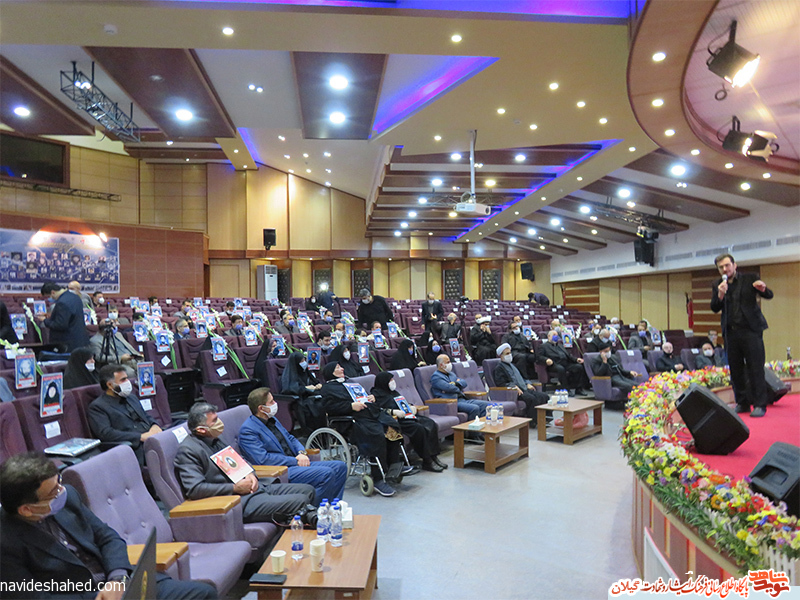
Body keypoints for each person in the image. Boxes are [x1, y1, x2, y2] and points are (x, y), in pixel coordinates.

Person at [0, 453, 217, 600]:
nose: (61, 491)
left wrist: (117, 578)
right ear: (26, 509)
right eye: (53, 491)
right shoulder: (5, 541)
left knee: (203, 593)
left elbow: (107, 537)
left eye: (59, 483)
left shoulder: (68, 498)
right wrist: (100, 595)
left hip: (121, 582)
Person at [175, 403, 316, 523]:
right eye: (215, 421)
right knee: (300, 500)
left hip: (254, 488)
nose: (219, 423)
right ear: (201, 429)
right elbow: (195, 489)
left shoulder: (214, 438)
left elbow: (240, 460)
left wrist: (250, 473)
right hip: (236, 500)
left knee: (308, 490)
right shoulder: (188, 450)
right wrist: (234, 488)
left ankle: (295, 522)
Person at [239, 387, 347, 504]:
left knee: (340, 467)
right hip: (281, 470)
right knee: (326, 474)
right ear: (261, 408)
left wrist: (301, 452)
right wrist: (295, 460)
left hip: (295, 462)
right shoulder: (248, 430)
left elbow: (290, 438)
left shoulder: (272, 419)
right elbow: (263, 459)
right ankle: (316, 511)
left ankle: (332, 506)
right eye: (271, 402)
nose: (275, 403)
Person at [320, 362, 406, 497]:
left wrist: (369, 398)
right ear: (331, 372)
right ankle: (377, 478)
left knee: (391, 425)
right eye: (338, 367)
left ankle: (393, 465)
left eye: (340, 366)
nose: (342, 368)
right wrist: (350, 406)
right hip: (349, 420)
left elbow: (361, 396)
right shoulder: (327, 388)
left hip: (367, 414)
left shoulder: (349, 383)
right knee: (376, 434)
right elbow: (329, 407)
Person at [710, 253, 773, 417]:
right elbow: (714, 307)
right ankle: (742, 403)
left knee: (755, 368)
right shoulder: (717, 284)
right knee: (736, 370)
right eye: (721, 267)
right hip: (731, 333)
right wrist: (720, 294)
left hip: (750, 331)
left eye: (727, 265)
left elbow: (769, 295)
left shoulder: (750, 279)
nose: (725, 269)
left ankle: (760, 404)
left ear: (734, 265)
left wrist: (764, 289)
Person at [371, 371, 447, 472]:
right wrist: (392, 411)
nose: (393, 382)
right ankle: (427, 460)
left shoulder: (393, 392)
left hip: (408, 416)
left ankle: (434, 456)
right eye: (390, 380)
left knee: (430, 423)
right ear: (384, 382)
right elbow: (377, 410)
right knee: (419, 429)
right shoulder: (376, 395)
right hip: (396, 420)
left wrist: (411, 406)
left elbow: (402, 402)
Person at [88, 364, 162, 466]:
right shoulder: (98, 407)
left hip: (152, 437)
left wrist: (155, 425)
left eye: (127, 378)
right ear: (110, 385)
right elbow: (106, 434)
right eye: (123, 380)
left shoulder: (132, 397)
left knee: (180, 428)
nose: (128, 382)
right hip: (135, 447)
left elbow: (145, 416)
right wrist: (140, 437)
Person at [493, 344, 549, 423]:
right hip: (515, 392)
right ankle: (533, 422)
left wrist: (527, 383)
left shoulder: (512, 365)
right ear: (501, 356)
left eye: (510, 353)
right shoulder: (499, 368)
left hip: (524, 388)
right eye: (507, 354)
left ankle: (546, 419)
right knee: (531, 399)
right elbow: (501, 383)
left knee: (544, 396)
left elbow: (522, 377)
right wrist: (514, 387)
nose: (510, 355)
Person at [430, 354, 490, 420]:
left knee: (486, 405)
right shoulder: (436, 377)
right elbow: (450, 388)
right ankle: (472, 426)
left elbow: (464, 383)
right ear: (441, 365)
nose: (450, 364)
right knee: (474, 408)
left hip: (462, 399)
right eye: (448, 362)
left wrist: (455, 383)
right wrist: (458, 385)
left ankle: (482, 424)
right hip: (451, 402)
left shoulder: (451, 374)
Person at [38, 281, 90, 353]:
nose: (49, 299)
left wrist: (45, 320)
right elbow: (71, 316)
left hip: (67, 343)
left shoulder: (62, 302)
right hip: (79, 339)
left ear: (53, 292)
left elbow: (60, 325)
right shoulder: (75, 297)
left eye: (48, 296)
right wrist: (51, 316)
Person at [537, 330, 588, 396]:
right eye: (554, 335)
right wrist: (546, 359)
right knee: (561, 369)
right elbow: (539, 357)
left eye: (556, 335)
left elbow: (568, 355)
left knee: (579, 367)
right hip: (554, 364)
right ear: (549, 336)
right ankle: (566, 389)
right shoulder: (544, 346)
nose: (556, 336)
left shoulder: (560, 345)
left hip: (565, 363)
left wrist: (576, 359)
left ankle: (578, 388)